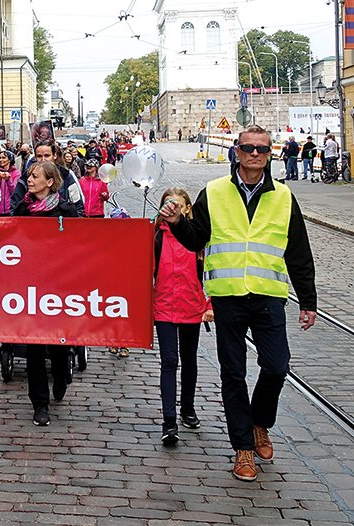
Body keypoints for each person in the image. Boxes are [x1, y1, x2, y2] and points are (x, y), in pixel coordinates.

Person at [158, 125, 317, 482]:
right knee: (233, 374)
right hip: (228, 295)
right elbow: (196, 239)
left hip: (268, 295)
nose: (255, 154)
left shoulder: (284, 196)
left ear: (270, 153)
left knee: (277, 367)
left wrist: (308, 300)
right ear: (236, 151)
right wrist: (178, 223)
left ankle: (260, 422)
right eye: (248, 147)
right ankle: (243, 447)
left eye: (262, 149)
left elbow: (299, 252)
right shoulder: (213, 192)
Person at [10, 161, 78, 426]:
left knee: (58, 344)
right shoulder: (23, 208)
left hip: (58, 286)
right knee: (35, 347)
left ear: (50, 182)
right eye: (29, 175)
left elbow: (81, 242)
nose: (30, 179)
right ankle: (40, 403)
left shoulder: (65, 210)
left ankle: (61, 374)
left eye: (36, 176)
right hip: (30, 285)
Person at [153, 187, 213, 446]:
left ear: (188, 208)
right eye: (168, 204)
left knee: (189, 360)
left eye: (178, 203)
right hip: (163, 305)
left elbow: (210, 272)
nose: (173, 207)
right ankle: (169, 421)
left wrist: (209, 304)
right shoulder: (156, 237)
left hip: (191, 306)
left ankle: (187, 408)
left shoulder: (198, 240)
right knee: (169, 360)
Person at [11, 141, 85, 217]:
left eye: (47, 155)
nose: (43, 159)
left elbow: (78, 207)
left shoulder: (66, 175)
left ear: (55, 155)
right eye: (39, 156)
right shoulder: (26, 177)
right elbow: (15, 205)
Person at [0, 150, 20, 216]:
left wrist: (9, 179)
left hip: (10, 208)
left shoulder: (16, 173)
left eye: (3, 157)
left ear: (10, 159)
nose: (1, 160)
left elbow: (15, 191)